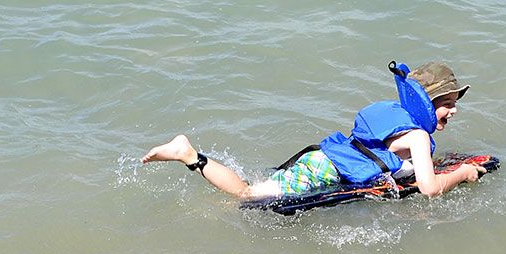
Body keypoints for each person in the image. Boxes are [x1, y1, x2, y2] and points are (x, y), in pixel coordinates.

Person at [141, 61, 486, 199]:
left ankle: (191, 155)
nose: (454, 109)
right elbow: (429, 188)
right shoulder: (419, 136)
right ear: (427, 103)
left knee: (259, 185)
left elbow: (392, 157)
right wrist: (464, 174)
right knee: (246, 195)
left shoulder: (397, 118)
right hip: (326, 169)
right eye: (447, 102)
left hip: (322, 157)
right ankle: (188, 154)